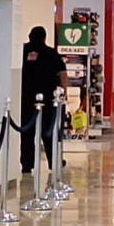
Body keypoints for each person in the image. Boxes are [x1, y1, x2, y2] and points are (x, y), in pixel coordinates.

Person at [20, 26, 69, 174]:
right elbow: (62, 74)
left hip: (26, 99)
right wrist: (63, 92)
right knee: (48, 132)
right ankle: (54, 162)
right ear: (44, 37)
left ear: (29, 36)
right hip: (47, 99)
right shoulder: (51, 54)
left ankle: (27, 164)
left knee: (27, 133)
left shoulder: (22, 51)